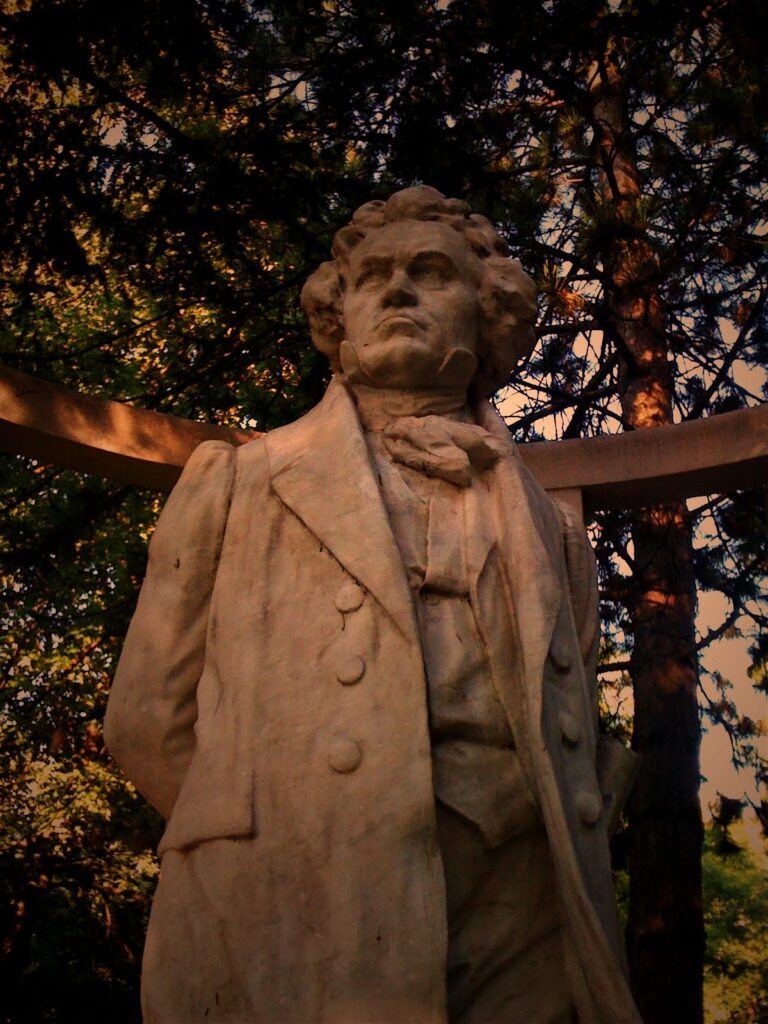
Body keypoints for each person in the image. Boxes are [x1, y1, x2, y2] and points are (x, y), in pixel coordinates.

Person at [105, 185, 642, 1023]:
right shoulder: (239, 483)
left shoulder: (556, 535)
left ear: (487, 314)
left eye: (432, 273)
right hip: (290, 907)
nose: (397, 291)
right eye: (373, 277)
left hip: (522, 914)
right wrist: (282, 843)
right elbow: (147, 720)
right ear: (339, 315)